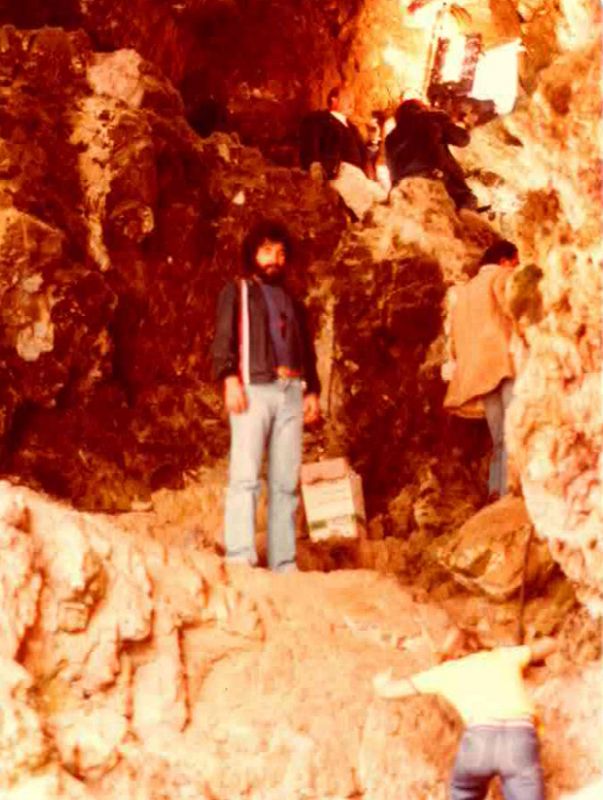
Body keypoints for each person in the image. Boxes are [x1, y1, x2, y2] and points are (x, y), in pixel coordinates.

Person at [211, 220, 321, 572]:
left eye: (281, 251)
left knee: (285, 482)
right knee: (245, 476)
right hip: (253, 388)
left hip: (291, 393)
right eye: (267, 250)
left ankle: (283, 562)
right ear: (253, 254)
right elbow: (223, 338)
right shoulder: (238, 291)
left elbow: (307, 350)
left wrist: (312, 391)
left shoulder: (293, 300)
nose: (275, 258)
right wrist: (229, 378)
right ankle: (240, 556)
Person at [373, 632, 556, 800]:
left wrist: (380, 682)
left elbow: (389, 691)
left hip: (479, 740)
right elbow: (550, 644)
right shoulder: (504, 656)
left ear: (451, 653)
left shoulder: (445, 671)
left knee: (464, 792)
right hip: (520, 739)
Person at [442, 240, 520, 500]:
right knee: (514, 431)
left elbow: (452, 338)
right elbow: (515, 309)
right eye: (515, 263)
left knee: (499, 437)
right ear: (504, 261)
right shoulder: (502, 276)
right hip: (505, 363)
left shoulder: (463, 292)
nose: (515, 268)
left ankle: (495, 491)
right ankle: (511, 491)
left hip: (479, 373)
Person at [384, 98, 477, 210]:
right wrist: (466, 124)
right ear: (422, 108)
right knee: (466, 199)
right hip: (434, 178)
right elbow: (462, 140)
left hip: (401, 188)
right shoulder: (432, 117)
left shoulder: (390, 138)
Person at [299, 85, 367, 180]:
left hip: (359, 175)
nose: (352, 104)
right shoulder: (320, 120)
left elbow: (364, 153)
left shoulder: (353, 128)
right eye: (347, 98)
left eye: (353, 99)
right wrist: (315, 165)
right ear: (334, 101)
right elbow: (312, 145)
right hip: (338, 174)